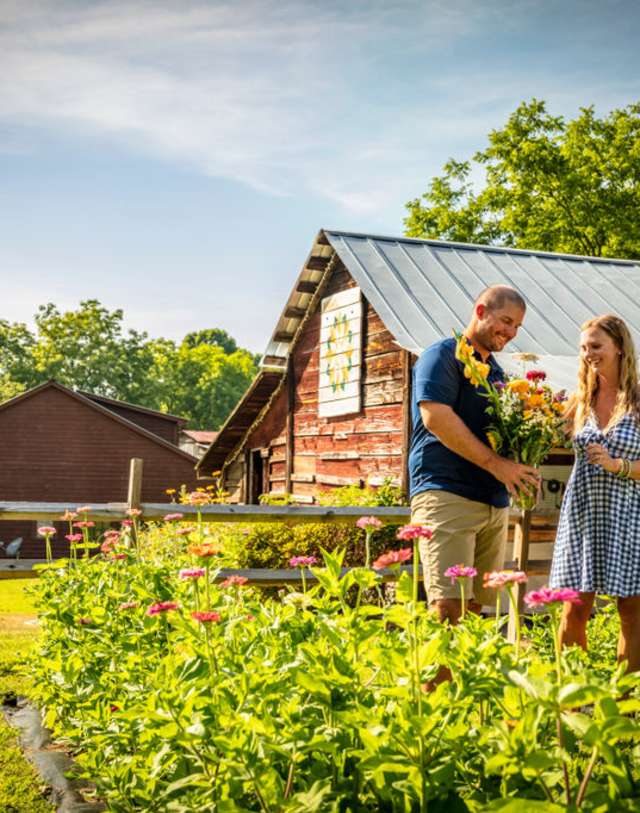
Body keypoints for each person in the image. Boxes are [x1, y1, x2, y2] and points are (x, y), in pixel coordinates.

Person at [410, 286, 540, 624]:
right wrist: (498, 466)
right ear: (481, 311)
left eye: (517, 327)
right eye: (506, 321)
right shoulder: (442, 356)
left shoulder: (496, 375)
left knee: (474, 609)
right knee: (447, 606)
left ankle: (465, 679)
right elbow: (435, 417)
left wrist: (524, 466)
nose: (511, 333)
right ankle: (431, 679)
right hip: (446, 493)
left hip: (492, 503)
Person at [550, 314, 640, 672]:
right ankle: (570, 700)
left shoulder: (637, 400)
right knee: (574, 608)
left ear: (619, 347)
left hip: (629, 516)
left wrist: (618, 465)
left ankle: (626, 708)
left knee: (631, 612)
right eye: (584, 347)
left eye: (596, 346)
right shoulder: (580, 399)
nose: (588, 353)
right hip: (583, 515)